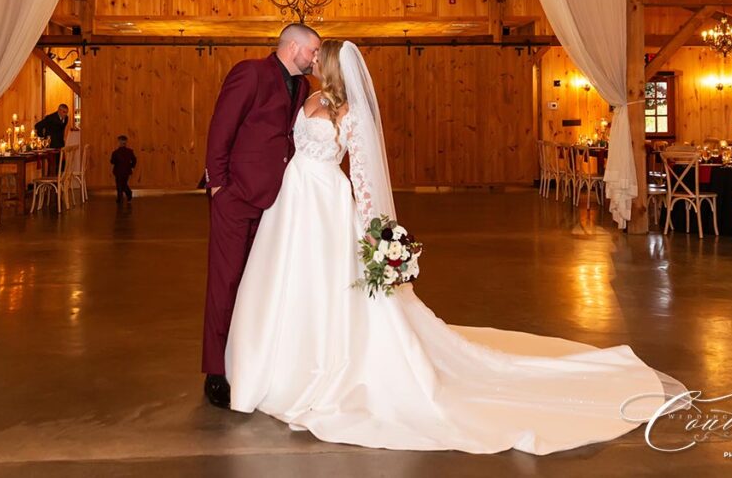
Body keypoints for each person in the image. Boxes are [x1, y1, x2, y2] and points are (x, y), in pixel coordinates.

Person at [223, 40, 687, 455]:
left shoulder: (349, 112)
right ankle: (282, 361)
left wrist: (374, 233)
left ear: (330, 68)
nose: (311, 62)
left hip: (326, 202)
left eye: (317, 58)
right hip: (292, 202)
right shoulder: (310, 98)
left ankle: (321, 366)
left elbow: (363, 176)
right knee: (289, 281)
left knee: (328, 287)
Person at [201, 23, 321, 409]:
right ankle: (216, 373)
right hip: (236, 198)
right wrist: (219, 186)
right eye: (313, 51)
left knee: (257, 285)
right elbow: (221, 130)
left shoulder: (304, 88)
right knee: (226, 284)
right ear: (292, 46)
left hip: (277, 204)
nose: (316, 59)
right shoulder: (250, 72)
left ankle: (249, 362)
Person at [110, 135, 137, 203]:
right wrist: (132, 166)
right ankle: (126, 195)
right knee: (123, 184)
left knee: (120, 184)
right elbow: (134, 160)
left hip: (118, 171)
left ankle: (121, 198)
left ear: (119, 142)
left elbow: (112, 161)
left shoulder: (115, 153)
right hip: (126, 171)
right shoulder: (130, 151)